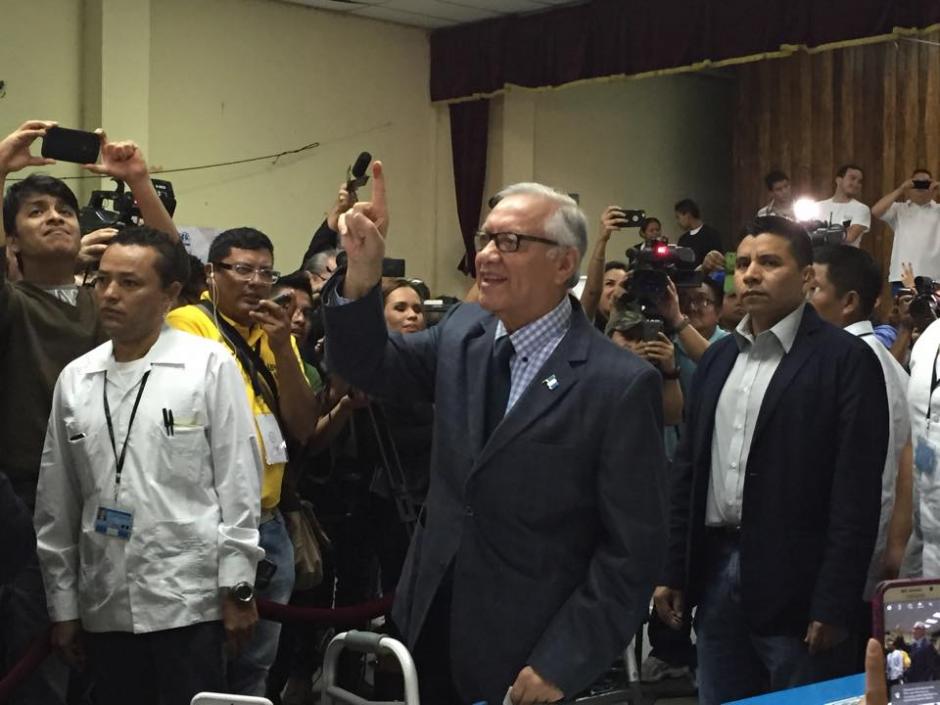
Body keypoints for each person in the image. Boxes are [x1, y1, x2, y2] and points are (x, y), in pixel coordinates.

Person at [323, 163, 667, 705]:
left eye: (510, 241)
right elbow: (368, 365)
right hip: (430, 620)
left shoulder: (618, 385)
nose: (486, 254)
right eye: (486, 239)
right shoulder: (464, 332)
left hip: (531, 646)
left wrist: (564, 660)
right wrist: (362, 274)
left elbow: (633, 550)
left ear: (564, 263)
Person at [657, 215, 889, 705]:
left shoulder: (844, 361)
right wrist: (673, 568)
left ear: (806, 277)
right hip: (717, 571)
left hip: (800, 587)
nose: (751, 274)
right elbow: (689, 474)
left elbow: (856, 492)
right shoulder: (719, 359)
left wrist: (835, 600)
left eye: (769, 262)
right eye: (743, 264)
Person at [34, 227, 264, 705]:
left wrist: (239, 586)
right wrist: (63, 606)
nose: (111, 294)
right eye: (102, 281)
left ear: (170, 294)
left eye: (130, 283)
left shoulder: (207, 365)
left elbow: (239, 482)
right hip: (105, 600)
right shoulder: (76, 379)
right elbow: (57, 502)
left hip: (189, 600)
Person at [0, 120, 178, 705]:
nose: (54, 216)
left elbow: (171, 269)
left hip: (114, 497)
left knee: (109, 660)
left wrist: (138, 182)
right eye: (36, 212)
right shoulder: (13, 305)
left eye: (64, 208)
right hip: (29, 504)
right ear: (13, 244)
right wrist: (0, 167)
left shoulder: (104, 302)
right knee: (37, 653)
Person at [167, 227, 319, 697]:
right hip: (205, 522)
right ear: (212, 274)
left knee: (257, 665)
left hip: (267, 521)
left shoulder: (276, 332)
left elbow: (302, 423)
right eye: (242, 269)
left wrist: (281, 351)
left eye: (264, 272)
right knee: (201, 661)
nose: (255, 282)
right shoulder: (187, 323)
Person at [809, 246, 913, 600]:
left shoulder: (858, 364)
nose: (804, 301)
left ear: (849, 301)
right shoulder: (881, 361)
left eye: (814, 289)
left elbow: (873, 474)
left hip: (848, 556)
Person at [605, 307, 683, 426]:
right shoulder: (597, 367)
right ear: (609, 336)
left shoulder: (654, 366)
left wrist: (670, 372)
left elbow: (672, 418)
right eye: (629, 337)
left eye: (642, 338)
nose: (636, 345)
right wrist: (629, 366)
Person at [872, 169, 940, 293]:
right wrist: (901, 189)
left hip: (935, 278)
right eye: (916, 183)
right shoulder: (899, 209)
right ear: (910, 187)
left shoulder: (938, 210)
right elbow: (876, 211)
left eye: (925, 183)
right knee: (903, 312)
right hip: (903, 276)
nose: (921, 186)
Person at [580, 206, 631, 330]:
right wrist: (602, 239)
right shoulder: (584, 325)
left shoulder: (636, 329)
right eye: (609, 283)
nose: (617, 290)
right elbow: (592, 292)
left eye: (623, 285)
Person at [817, 164, 871, 247]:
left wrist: (819, 232)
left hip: (846, 256)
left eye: (859, 182)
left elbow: (849, 237)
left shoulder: (861, 209)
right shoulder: (818, 206)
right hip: (817, 256)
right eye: (852, 178)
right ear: (838, 180)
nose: (856, 184)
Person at [674, 198, 723, 266]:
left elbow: (717, 262)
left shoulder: (711, 235)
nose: (678, 222)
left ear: (688, 215)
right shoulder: (683, 239)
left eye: (678, 217)